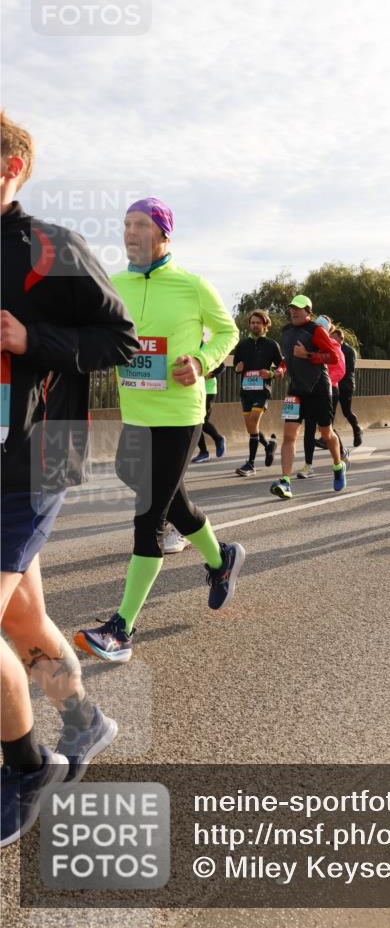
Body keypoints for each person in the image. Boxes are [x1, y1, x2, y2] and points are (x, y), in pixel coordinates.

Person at [1, 111, 139, 844]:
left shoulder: (50, 247)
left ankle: (28, 766)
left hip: (37, 457)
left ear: (10, 168)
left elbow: (119, 339)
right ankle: (86, 723)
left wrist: (34, 340)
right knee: (19, 619)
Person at [74, 198, 244, 664]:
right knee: (164, 496)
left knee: (150, 513)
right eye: (126, 224)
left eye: (141, 225)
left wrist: (202, 361)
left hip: (180, 413)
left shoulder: (192, 286)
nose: (130, 233)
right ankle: (220, 557)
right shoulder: (116, 284)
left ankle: (121, 628)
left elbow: (228, 333)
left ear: (164, 236)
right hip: (137, 412)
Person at [270, 295, 346, 499]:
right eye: (291, 308)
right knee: (289, 435)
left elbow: (333, 357)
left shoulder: (316, 330)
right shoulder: (286, 331)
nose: (293, 311)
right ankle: (285, 481)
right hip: (295, 390)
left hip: (318, 388)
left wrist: (309, 356)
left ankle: (338, 466)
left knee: (326, 432)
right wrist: (281, 368)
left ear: (308, 312)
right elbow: (287, 357)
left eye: (299, 309)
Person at [232, 310, 282, 476]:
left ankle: (251, 464)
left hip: (262, 390)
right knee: (251, 427)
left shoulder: (271, 345)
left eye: (258, 323)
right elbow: (236, 366)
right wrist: (238, 369)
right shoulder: (242, 345)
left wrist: (272, 373)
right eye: (252, 323)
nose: (255, 325)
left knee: (254, 421)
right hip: (246, 391)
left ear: (265, 325)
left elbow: (282, 365)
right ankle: (268, 445)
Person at [298, 316, 347, 479]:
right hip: (309, 391)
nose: (316, 328)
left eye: (321, 326)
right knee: (309, 428)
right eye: (315, 324)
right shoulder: (307, 342)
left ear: (327, 330)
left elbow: (340, 370)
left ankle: (340, 454)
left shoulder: (333, 346)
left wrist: (326, 383)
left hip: (328, 391)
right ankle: (308, 465)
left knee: (326, 429)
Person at [331, 327, 362, 447]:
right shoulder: (331, 349)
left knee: (346, 411)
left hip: (345, 385)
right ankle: (328, 437)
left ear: (339, 338)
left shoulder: (349, 351)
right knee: (330, 412)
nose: (331, 340)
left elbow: (348, 370)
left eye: (333, 338)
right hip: (333, 385)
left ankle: (357, 429)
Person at [192, 354, 226, 462]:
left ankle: (218, 439)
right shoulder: (190, 347)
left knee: (201, 420)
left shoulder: (206, 348)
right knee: (194, 422)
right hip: (194, 391)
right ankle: (203, 452)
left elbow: (222, 366)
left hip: (208, 390)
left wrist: (210, 375)